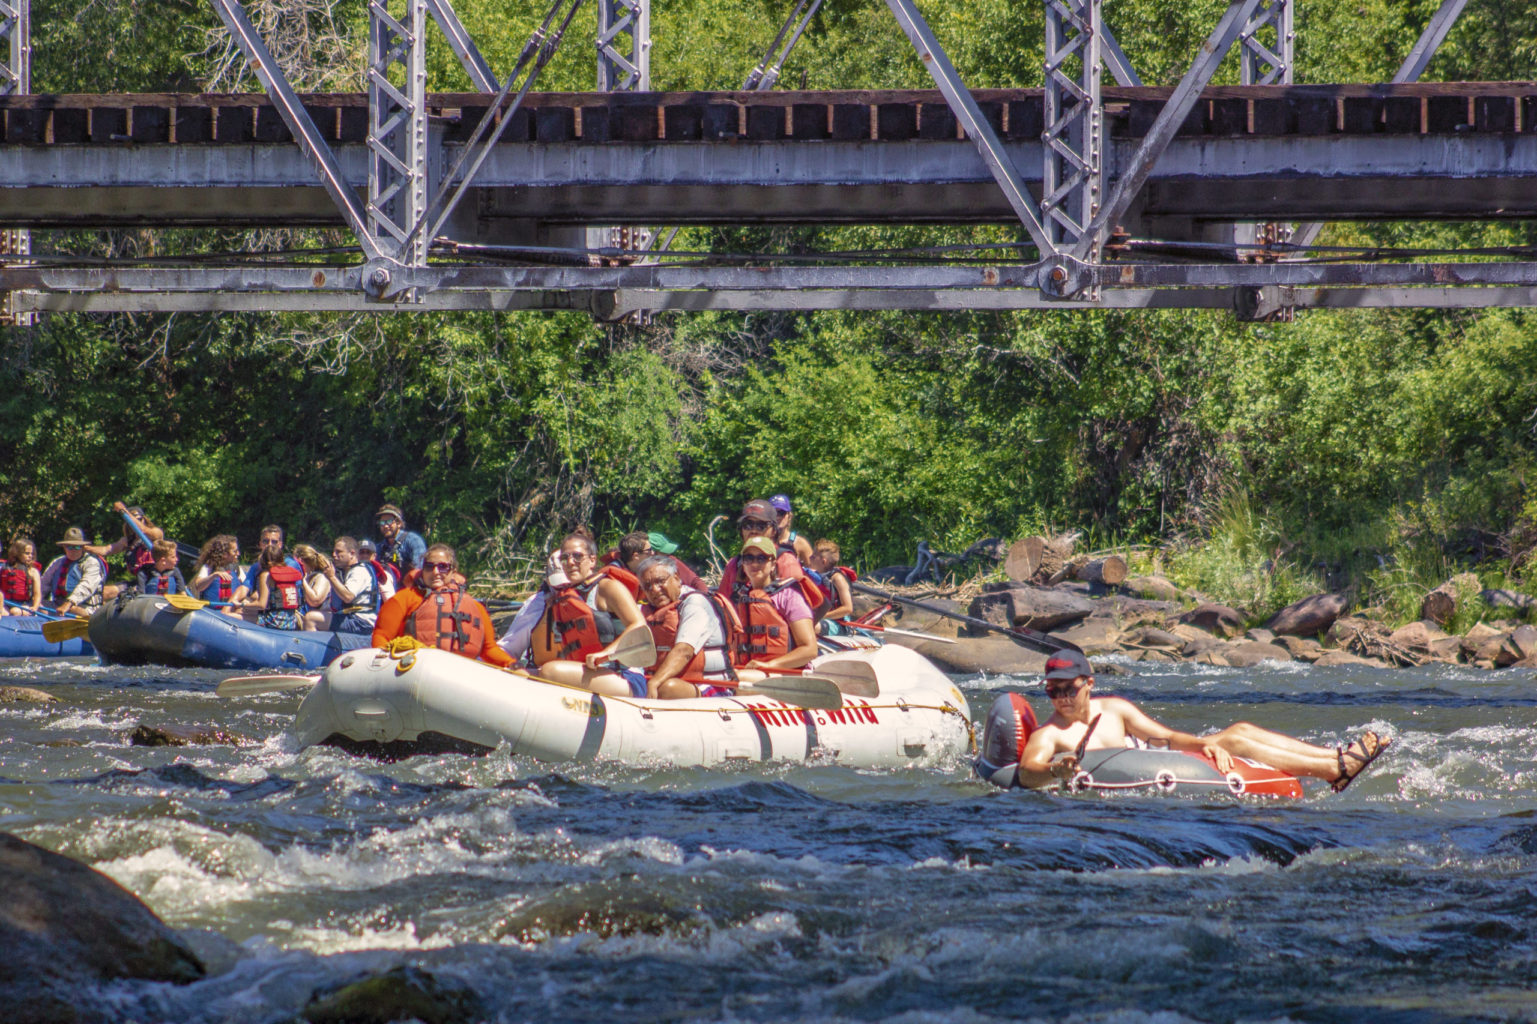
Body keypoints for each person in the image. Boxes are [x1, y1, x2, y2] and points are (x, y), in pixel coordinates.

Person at [1017, 650, 1392, 792]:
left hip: (1165, 765)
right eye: (1053, 691)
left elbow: (1164, 738)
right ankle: (1333, 770)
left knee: (1237, 732)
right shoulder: (1050, 734)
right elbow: (1026, 772)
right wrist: (1055, 770)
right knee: (1233, 741)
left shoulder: (1114, 709)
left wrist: (1203, 744)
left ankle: (1333, 759)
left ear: (1089, 684)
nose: (1062, 698)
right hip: (1132, 787)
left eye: (1069, 688)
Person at [528, 532, 650, 696]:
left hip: (625, 676)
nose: (570, 562)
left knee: (551, 671)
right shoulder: (563, 597)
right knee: (523, 674)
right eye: (565, 558)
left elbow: (639, 625)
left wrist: (606, 654)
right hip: (588, 671)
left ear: (592, 560)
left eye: (577, 556)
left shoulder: (608, 587)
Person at [371, 543, 511, 666]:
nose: (435, 572)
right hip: (412, 669)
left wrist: (512, 664)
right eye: (429, 566)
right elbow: (381, 636)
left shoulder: (476, 607)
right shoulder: (404, 598)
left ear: (453, 572)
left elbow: (489, 649)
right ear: (422, 570)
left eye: (443, 567)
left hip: (460, 674)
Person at [640, 554, 745, 700]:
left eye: (660, 581)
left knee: (667, 688)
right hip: (676, 681)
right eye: (647, 586)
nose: (655, 589)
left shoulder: (696, 603)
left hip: (712, 684)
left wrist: (654, 682)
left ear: (676, 578)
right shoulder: (647, 611)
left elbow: (684, 651)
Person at [723, 536, 819, 671]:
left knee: (734, 680)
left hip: (785, 674)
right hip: (747, 671)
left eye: (762, 558)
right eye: (749, 558)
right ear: (743, 564)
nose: (754, 564)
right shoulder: (739, 598)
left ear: (773, 564)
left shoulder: (790, 597)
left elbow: (810, 650)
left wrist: (769, 665)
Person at [716, 500, 819, 607]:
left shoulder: (785, 561)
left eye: (761, 526)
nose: (754, 531)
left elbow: (803, 610)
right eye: (748, 525)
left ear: (774, 531)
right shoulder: (734, 563)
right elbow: (722, 604)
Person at [86, 503, 167, 601]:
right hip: (138, 582)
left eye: (139, 519)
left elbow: (143, 530)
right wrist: (85, 548)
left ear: (144, 519)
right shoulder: (127, 541)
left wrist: (124, 511)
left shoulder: (156, 533)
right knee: (103, 593)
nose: (135, 523)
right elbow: (106, 550)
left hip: (156, 581)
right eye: (132, 521)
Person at [309, 536, 380, 634]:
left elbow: (348, 596)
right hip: (352, 618)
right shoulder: (348, 571)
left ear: (352, 553)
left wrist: (331, 577)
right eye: (334, 551)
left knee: (311, 618)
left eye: (339, 552)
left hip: (361, 622)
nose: (334, 555)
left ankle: (314, 648)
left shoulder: (359, 571)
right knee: (319, 614)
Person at [232, 525, 302, 621]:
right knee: (240, 606)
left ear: (280, 544)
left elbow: (262, 602)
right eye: (266, 541)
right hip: (268, 609)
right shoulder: (256, 566)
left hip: (290, 613)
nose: (269, 544)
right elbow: (244, 588)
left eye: (274, 542)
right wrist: (231, 603)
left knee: (239, 611)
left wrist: (245, 603)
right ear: (260, 544)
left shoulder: (290, 565)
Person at [40, 527, 108, 616]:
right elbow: (43, 584)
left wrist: (68, 603)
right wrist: (35, 599)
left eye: (77, 546)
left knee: (73, 610)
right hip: (58, 605)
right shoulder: (57, 562)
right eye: (69, 547)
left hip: (85, 607)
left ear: (83, 547)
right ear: (64, 547)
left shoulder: (92, 563)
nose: (73, 550)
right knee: (37, 606)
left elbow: (86, 586)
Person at [606, 530, 703, 593]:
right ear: (636, 556)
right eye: (649, 551)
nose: (652, 553)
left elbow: (695, 582)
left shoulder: (670, 561)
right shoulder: (616, 573)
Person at [251, 539, 306, 631]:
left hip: (272, 623)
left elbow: (262, 605)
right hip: (291, 622)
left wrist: (242, 604)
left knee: (238, 615)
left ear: (264, 560)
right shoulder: (289, 573)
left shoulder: (266, 575)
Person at [190, 535, 244, 614]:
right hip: (211, 613)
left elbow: (245, 589)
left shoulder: (237, 569)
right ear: (224, 554)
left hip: (230, 613)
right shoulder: (209, 567)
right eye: (235, 551)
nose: (238, 553)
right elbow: (198, 586)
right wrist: (214, 575)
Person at [807, 538, 855, 623]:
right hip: (823, 619)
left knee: (808, 626)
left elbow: (848, 608)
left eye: (813, 556)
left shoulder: (837, 578)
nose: (809, 558)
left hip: (838, 624)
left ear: (823, 561)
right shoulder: (815, 575)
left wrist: (822, 616)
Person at [375, 504, 427, 579]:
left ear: (399, 523)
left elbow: (420, 566)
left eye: (389, 521)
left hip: (411, 586)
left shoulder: (413, 540)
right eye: (382, 522)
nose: (385, 526)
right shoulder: (379, 547)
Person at [291, 544, 332, 630]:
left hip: (317, 621)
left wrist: (303, 582)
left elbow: (315, 600)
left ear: (301, 561)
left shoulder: (321, 577)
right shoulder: (306, 578)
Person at [1, 538, 43, 615]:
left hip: (24, 604)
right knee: (3, 613)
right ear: (17, 553)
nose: (30, 556)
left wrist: (35, 607)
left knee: (15, 611)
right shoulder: (4, 569)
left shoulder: (33, 571)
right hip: (6, 603)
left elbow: (37, 594)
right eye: (27, 553)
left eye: (32, 553)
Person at [770, 494, 815, 564]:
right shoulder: (764, 541)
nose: (777, 517)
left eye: (781, 513)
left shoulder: (800, 543)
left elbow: (813, 570)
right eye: (774, 513)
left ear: (789, 516)